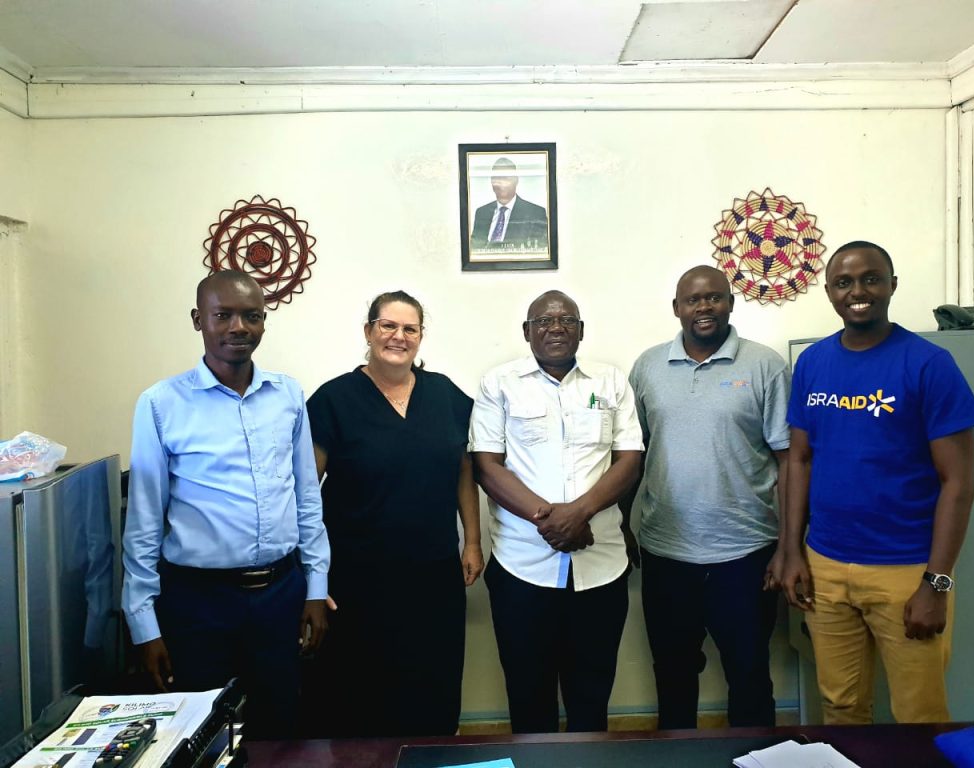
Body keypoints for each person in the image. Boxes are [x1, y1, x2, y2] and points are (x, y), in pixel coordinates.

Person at [781, 241, 974, 724]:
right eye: (844, 282)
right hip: (825, 565)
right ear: (829, 291)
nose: (858, 291)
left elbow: (958, 483)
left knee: (919, 716)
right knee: (841, 707)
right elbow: (799, 461)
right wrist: (791, 551)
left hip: (906, 571)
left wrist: (936, 583)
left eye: (871, 279)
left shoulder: (929, 364)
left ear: (892, 285)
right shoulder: (813, 363)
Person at [122, 270, 330, 740]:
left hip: (280, 594)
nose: (239, 327)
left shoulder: (288, 395)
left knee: (281, 729)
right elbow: (144, 522)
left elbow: (306, 498)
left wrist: (315, 588)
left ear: (263, 322)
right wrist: (144, 625)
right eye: (224, 316)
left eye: (251, 316)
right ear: (199, 320)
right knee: (204, 734)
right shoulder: (161, 403)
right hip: (198, 601)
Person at [303, 290, 482, 737]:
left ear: (420, 337)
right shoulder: (333, 400)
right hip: (357, 580)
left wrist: (473, 541)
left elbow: (464, 467)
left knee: (433, 691)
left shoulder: (443, 394)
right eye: (388, 326)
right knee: (360, 699)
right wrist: (310, 576)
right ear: (369, 331)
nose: (398, 336)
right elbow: (304, 495)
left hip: (433, 576)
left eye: (409, 329)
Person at [469, 290, 644, 733]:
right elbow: (486, 466)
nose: (556, 328)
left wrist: (579, 513)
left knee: (592, 696)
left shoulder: (611, 381)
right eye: (544, 321)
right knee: (529, 698)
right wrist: (550, 520)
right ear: (527, 332)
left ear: (581, 330)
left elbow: (630, 459)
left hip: (601, 566)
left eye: (566, 320)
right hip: (521, 568)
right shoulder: (498, 383)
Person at [626, 265, 790, 729]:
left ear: (731, 303)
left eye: (714, 297)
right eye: (693, 299)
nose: (704, 307)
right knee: (673, 674)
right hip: (666, 553)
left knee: (749, 674)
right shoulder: (647, 367)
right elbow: (632, 455)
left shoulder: (765, 365)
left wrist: (788, 546)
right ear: (676, 308)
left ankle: (752, 756)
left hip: (746, 554)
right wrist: (622, 522)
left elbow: (790, 459)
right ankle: (676, 757)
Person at [470, 157, 549, 251]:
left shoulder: (535, 214)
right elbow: (473, 250)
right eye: (497, 178)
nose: (501, 183)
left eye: (506, 178)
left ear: (516, 180)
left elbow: (540, 251)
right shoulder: (481, 213)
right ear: (491, 181)